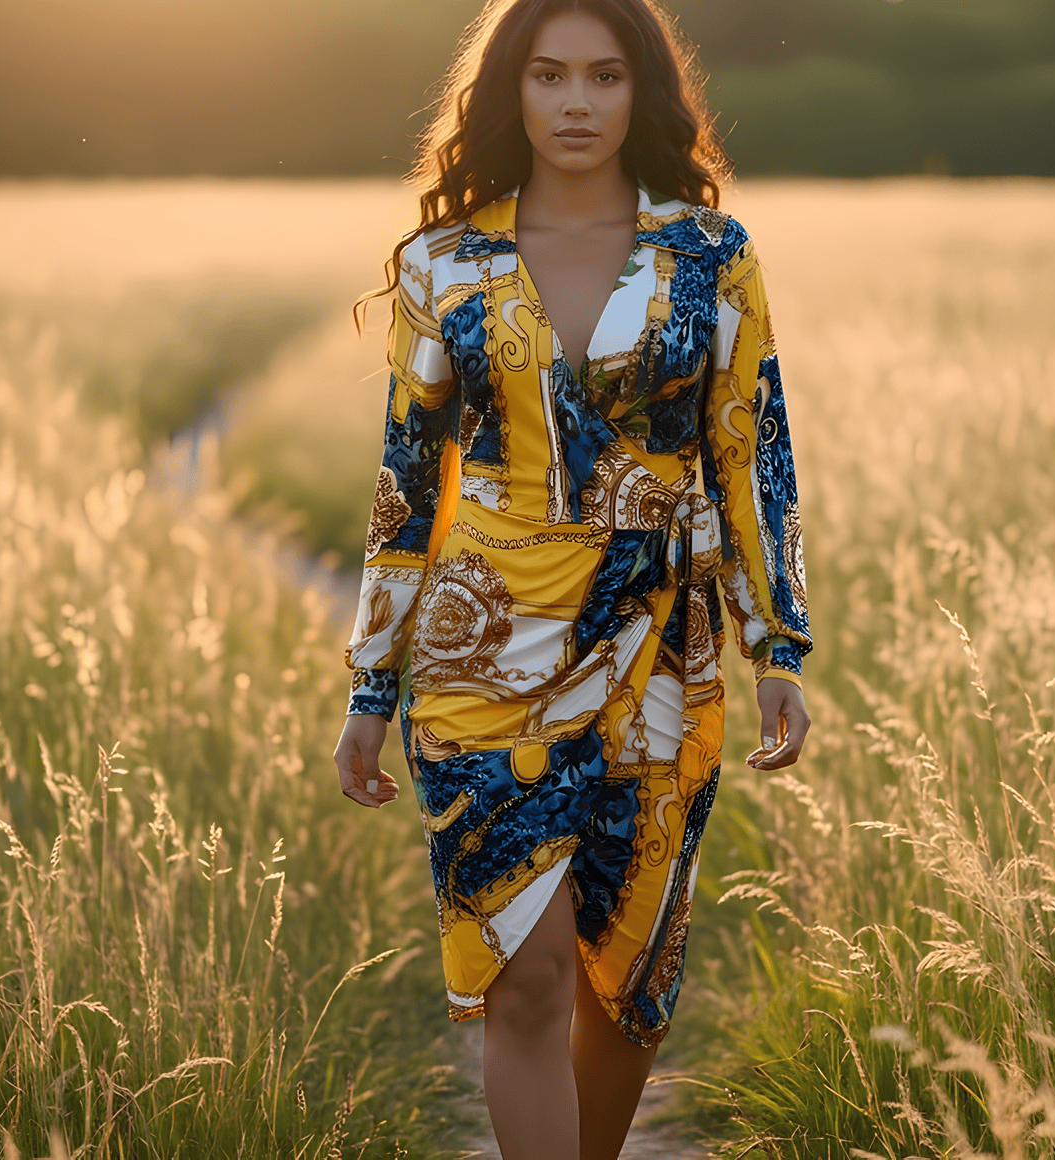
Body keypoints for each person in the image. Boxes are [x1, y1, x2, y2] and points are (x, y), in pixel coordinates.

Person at [333, 1, 812, 1156]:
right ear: (511, 90)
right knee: (531, 972)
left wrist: (775, 645)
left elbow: (753, 452)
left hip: (659, 654)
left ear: (641, 90)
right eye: (547, 76)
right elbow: (405, 486)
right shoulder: (446, 263)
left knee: (628, 988)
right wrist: (370, 684)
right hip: (480, 651)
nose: (576, 103)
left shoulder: (711, 256)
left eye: (603, 76)